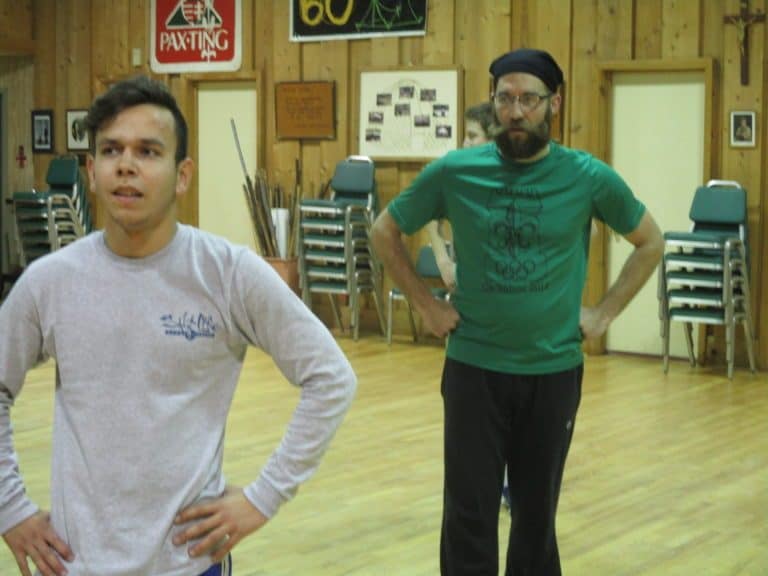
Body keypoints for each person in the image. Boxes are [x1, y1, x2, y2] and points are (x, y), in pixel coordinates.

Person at [0, 75, 356, 576]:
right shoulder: (50, 281)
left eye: (148, 151)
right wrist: (10, 507)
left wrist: (263, 497)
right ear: (92, 171)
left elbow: (331, 377)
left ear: (182, 174)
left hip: (189, 563)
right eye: (111, 150)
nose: (126, 165)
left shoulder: (227, 274)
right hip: (78, 564)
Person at [371, 48, 664, 575]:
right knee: (468, 517)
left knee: (535, 521)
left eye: (529, 99)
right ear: (493, 102)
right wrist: (426, 305)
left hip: (552, 372)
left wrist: (602, 314)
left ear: (554, 103)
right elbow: (384, 230)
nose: (516, 111)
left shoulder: (586, 176)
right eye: (505, 99)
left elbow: (650, 242)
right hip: (474, 369)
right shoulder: (456, 172)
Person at [426, 102, 496, 290]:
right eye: (466, 136)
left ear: (494, 141)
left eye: (472, 136)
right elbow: (431, 215)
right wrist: (443, 262)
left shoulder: (512, 180)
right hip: (467, 287)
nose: (465, 143)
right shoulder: (458, 178)